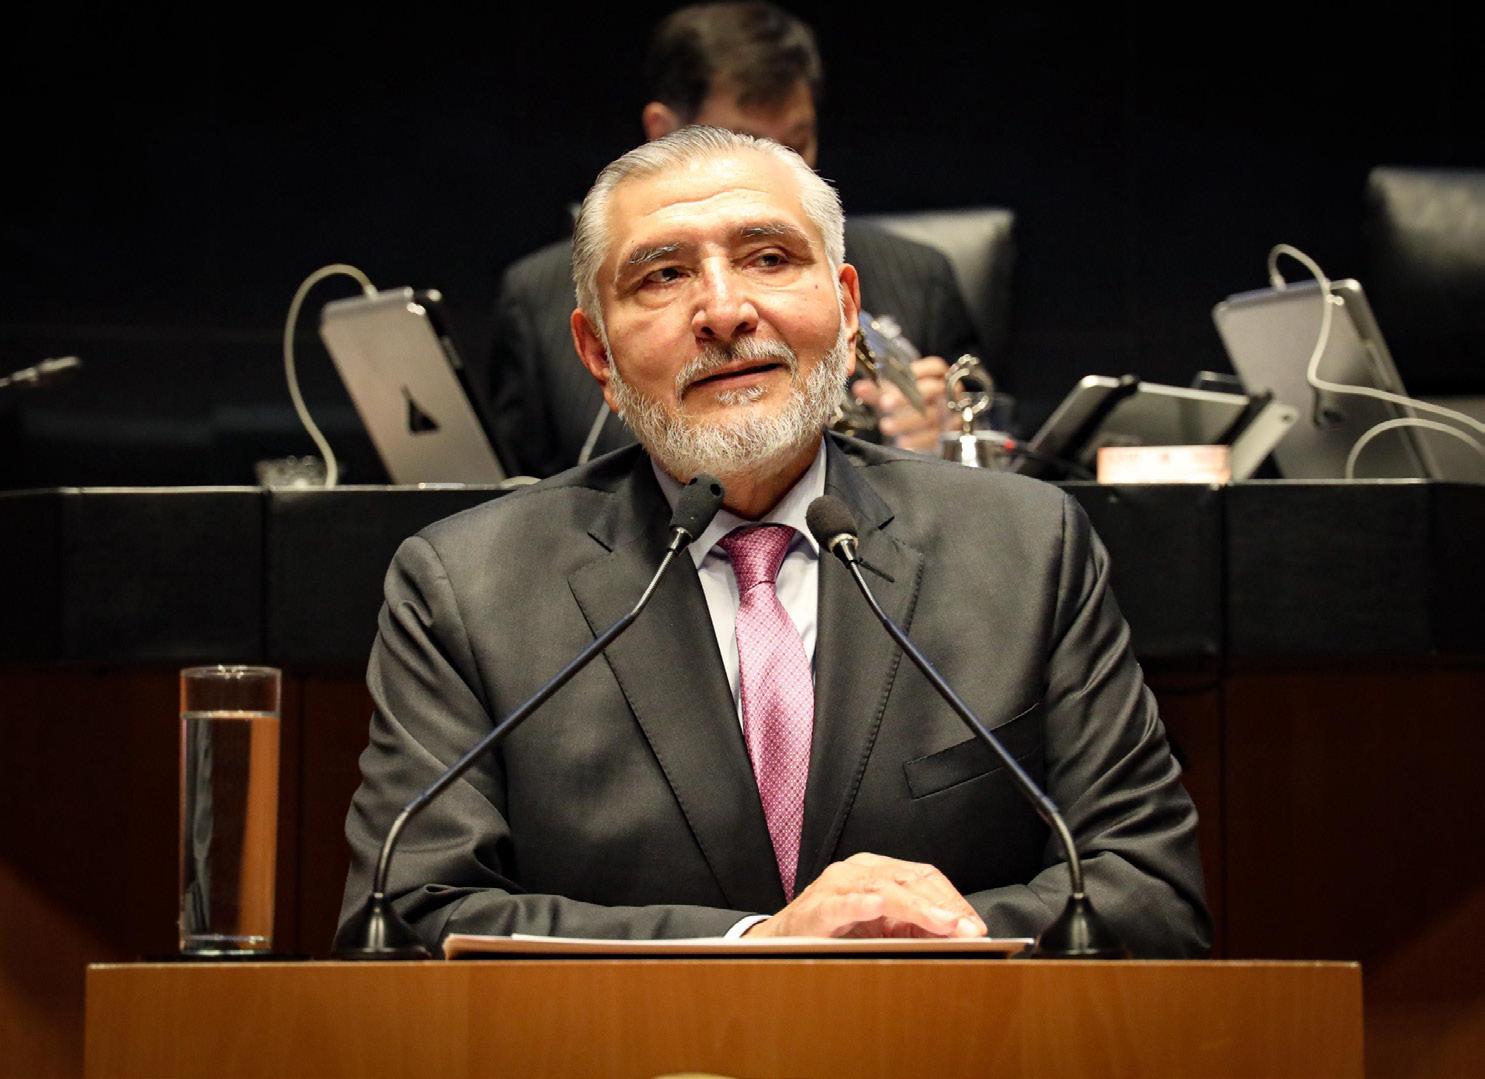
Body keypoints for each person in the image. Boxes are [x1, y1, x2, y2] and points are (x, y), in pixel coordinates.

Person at [340, 126, 1210, 956]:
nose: (724, 311)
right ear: (596, 353)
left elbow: (1147, 890)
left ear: (846, 308)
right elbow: (408, 915)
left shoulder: (1025, 546)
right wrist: (755, 945)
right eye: (663, 276)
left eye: (768, 258)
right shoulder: (466, 587)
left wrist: (898, 941)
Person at [487, 1, 980, 479]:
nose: (725, 312)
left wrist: (946, 444)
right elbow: (514, 502)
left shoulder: (918, 279)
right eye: (742, 143)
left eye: (796, 143)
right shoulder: (537, 299)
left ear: (847, 305)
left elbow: (998, 467)